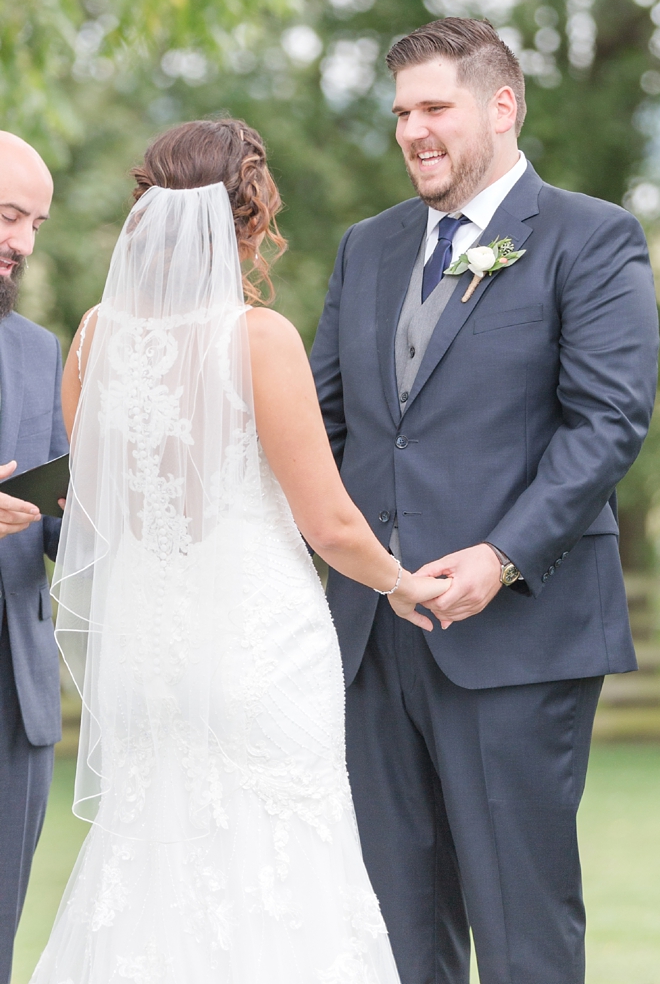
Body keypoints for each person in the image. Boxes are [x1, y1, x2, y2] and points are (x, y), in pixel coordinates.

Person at [29, 119, 450, 981]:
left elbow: (101, 505)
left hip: (147, 655)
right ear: (250, 216)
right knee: (282, 868)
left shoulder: (95, 337)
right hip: (258, 649)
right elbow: (327, 521)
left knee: (150, 869)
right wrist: (402, 583)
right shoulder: (257, 338)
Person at [310, 17, 658, 983]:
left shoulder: (591, 238)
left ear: (502, 107)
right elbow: (321, 426)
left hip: (517, 638)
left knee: (521, 925)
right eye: (400, 113)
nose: (413, 131)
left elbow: (608, 423)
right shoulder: (367, 247)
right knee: (395, 925)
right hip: (373, 638)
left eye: (434, 107)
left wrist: (500, 557)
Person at [0, 132, 68, 982]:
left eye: (35, 223)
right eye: (9, 213)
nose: (20, 240)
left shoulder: (38, 350)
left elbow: (61, 523)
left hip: (14, 702)